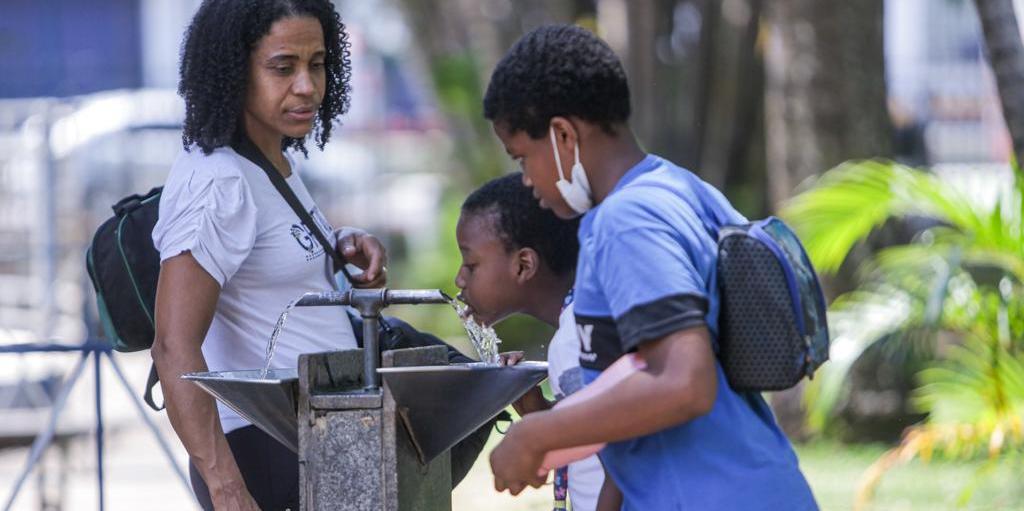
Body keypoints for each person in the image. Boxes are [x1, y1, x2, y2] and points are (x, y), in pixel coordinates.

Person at [482, 24, 819, 510]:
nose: (527, 180)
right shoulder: (681, 190)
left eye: (522, 158)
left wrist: (537, 435)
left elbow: (683, 383)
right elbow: (640, 413)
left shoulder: (628, 221)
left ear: (562, 135)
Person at [151, 2, 387, 509]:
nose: (306, 85)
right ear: (235, 70)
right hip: (264, 456)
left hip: (316, 442)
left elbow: (267, 263)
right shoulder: (218, 181)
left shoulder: (268, 159)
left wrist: (338, 243)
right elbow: (173, 347)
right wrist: (227, 488)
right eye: (283, 67)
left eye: (318, 64)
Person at [454, 173, 606, 511]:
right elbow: (594, 434)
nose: (459, 279)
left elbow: (623, 455)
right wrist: (539, 412)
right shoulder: (582, 320)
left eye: (471, 264)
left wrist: (535, 437)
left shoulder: (576, 338)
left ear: (523, 265)